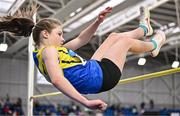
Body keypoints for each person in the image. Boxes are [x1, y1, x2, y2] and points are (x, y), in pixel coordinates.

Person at [0, 5, 166, 111]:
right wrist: (85, 102)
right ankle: (154, 44)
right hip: (100, 77)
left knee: (114, 37)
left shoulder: (50, 52)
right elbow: (58, 80)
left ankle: (144, 29)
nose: (62, 38)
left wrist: (97, 22)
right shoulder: (49, 52)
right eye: (59, 34)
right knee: (124, 42)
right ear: (45, 34)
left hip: (93, 70)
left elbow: (81, 40)